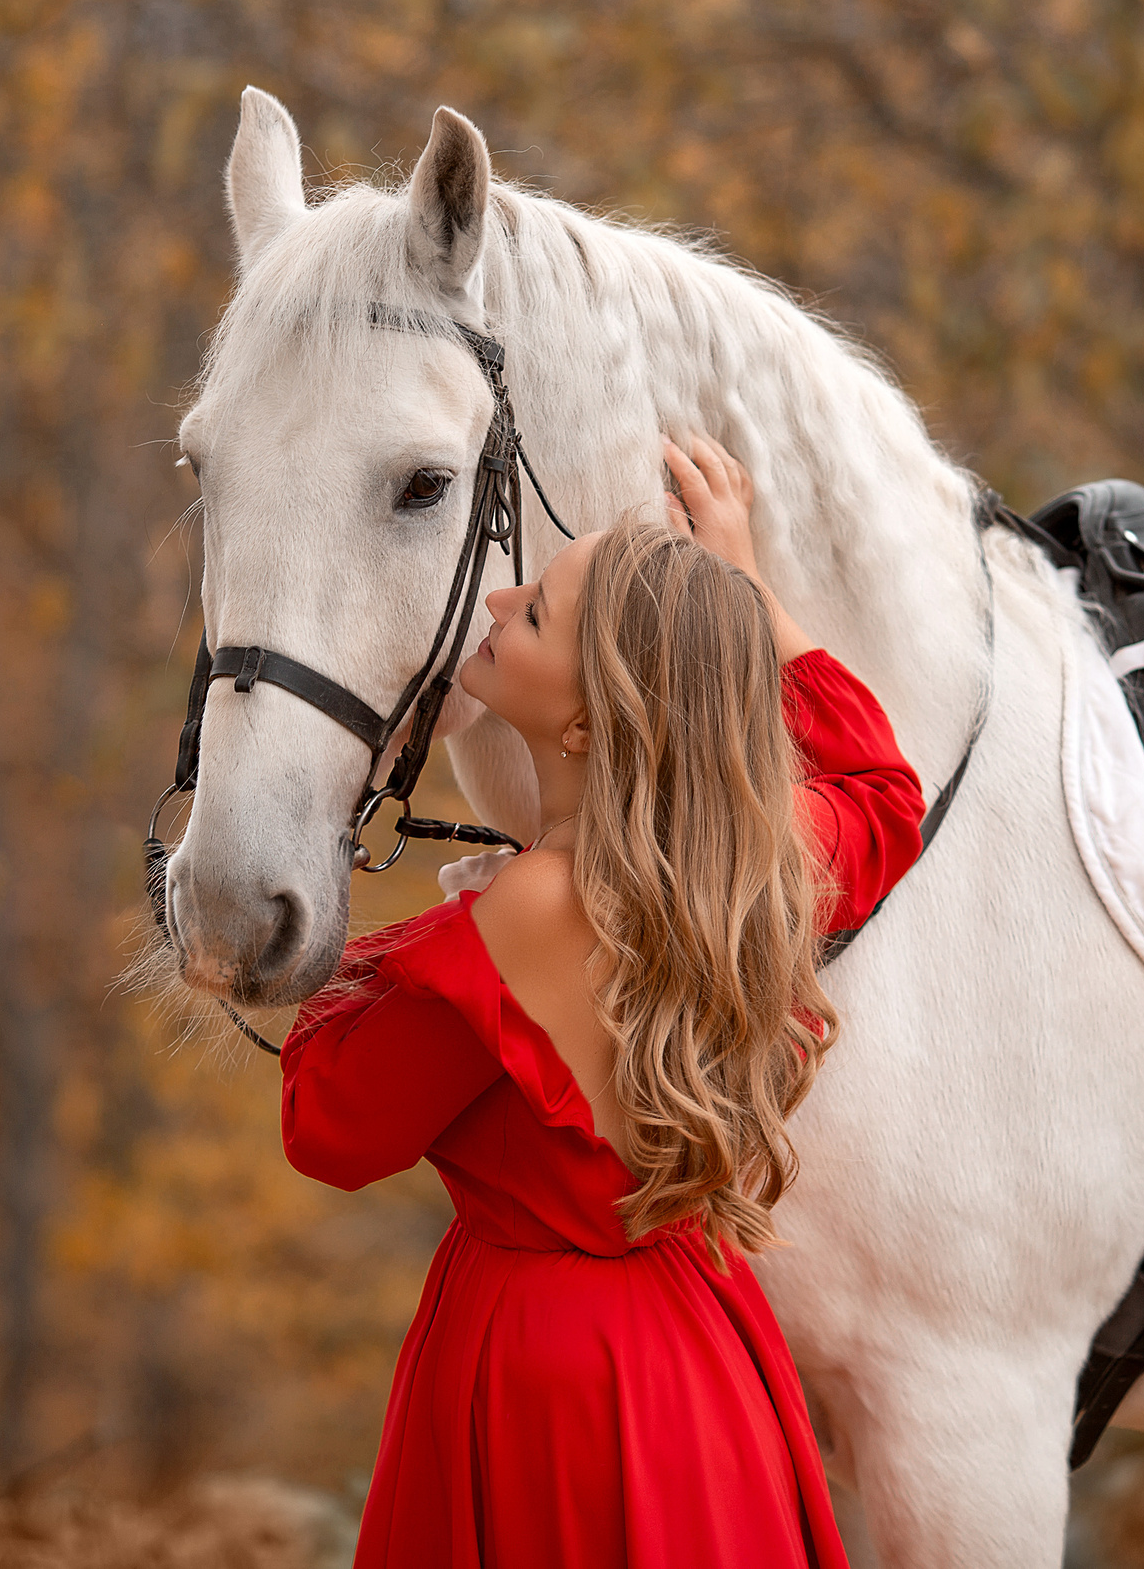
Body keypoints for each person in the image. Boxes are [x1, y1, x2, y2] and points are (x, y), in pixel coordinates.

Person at [277, 434, 925, 1568]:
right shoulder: (745, 871)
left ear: (584, 724)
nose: (502, 593)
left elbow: (327, 1125)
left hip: (547, 1383)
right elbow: (881, 794)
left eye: (533, 615)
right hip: (704, 1360)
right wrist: (739, 594)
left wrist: (414, 927)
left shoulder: (521, 913)